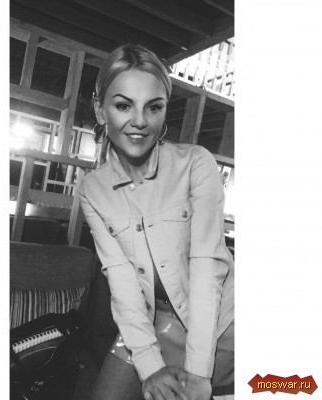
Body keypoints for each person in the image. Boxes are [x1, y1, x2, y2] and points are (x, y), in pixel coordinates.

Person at [78, 44, 234, 400]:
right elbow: (122, 281)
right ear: (101, 110)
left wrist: (198, 373)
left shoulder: (196, 164)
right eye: (123, 105)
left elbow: (207, 269)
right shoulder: (92, 189)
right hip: (151, 322)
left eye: (153, 107)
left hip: (220, 322)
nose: (139, 121)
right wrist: (149, 366)